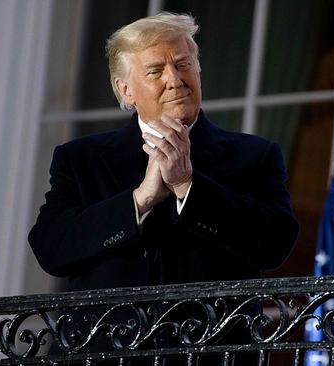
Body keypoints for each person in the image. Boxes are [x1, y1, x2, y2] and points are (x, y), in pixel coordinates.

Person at [28, 13, 298, 298]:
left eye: (183, 64)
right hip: (107, 340)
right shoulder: (81, 159)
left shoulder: (255, 156)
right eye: (155, 70)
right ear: (126, 90)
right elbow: (50, 248)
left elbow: (275, 246)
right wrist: (140, 200)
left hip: (213, 340)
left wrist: (187, 185)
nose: (175, 79)